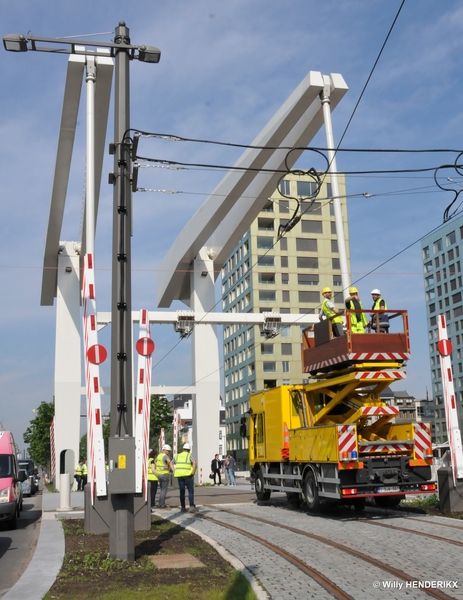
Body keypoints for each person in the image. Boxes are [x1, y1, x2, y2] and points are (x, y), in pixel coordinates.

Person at [173, 442, 197, 513]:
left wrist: (174, 470)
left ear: (183, 449)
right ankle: (191, 506)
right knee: (190, 491)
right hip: (188, 476)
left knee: (182, 492)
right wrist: (193, 471)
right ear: (189, 450)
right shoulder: (189, 455)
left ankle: (183, 507)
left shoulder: (177, 456)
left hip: (180, 476)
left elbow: (171, 462)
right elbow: (194, 462)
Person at [155, 444, 175, 508]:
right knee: (164, 490)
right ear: (164, 450)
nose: (169, 452)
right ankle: (162, 504)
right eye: (168, 451)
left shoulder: (158, 456)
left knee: (161, 489)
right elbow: (170, 462)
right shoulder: (165, 456)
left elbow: (154, 462)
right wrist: (174, 471)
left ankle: (159, 504)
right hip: (164, 475)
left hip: (159, 475)